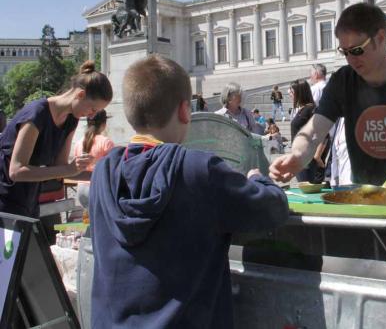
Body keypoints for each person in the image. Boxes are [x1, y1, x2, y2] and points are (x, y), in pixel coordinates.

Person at [89, 55, 288, 329]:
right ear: (185, 111)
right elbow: (272, 209)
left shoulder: (103, 171)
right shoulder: (198, 169)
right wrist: (259, 180)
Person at [270, 3, 386, 186]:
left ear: (381, 37)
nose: (351, 59)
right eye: (345, 52)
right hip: (364, 194)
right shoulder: (343, 80)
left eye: (357, 50)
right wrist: (297, 156)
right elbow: (314, 130)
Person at [0, 61, 112, 217]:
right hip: (5, 204)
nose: (93, 116)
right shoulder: (37, 114)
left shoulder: (71, 120)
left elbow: (61, 168)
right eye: (93, 109)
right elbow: (16, 171)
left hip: (29, 202)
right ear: (80, 95)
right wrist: (69, 169)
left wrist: (103, 175)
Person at [288, 79, 321, 183]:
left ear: (299, 93)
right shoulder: (302, 109)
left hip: (307, 159)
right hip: (299, 158)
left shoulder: (311, 109)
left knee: (307, 188)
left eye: (292, 92)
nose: (290, 94)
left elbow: (322, 134)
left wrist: (317, 156)